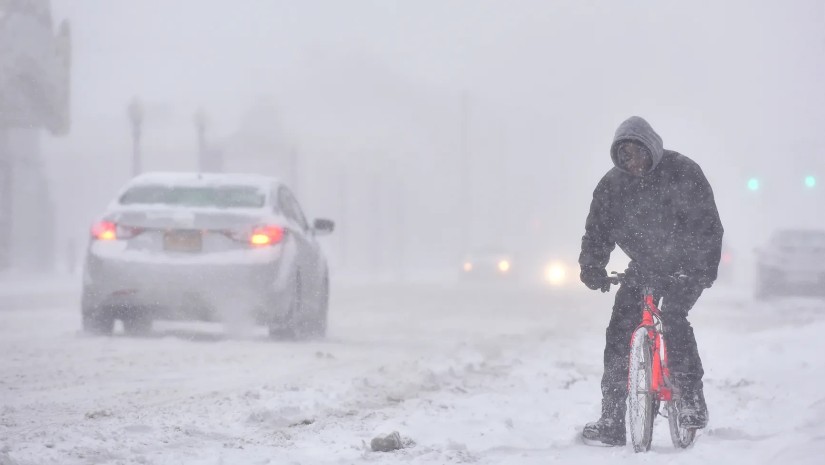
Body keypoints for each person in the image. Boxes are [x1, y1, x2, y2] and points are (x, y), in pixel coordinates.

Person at [578, 116, 724, 446]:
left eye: (637, 153)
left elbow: (708, 227)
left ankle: (690, 400)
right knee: (620, 332)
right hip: (644, 267)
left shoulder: (684, 172)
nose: (632, 162)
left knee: (673, 318)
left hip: (687, 266)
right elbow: (597, 231)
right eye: (624, 156)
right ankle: (613, 419)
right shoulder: (612, 186)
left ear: (651, 148)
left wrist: (700, 271)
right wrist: (592, 267)